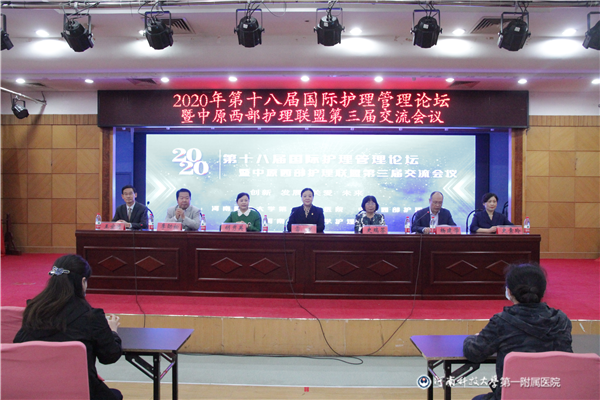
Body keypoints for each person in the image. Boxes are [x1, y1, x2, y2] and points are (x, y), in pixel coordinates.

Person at [13, 255, 123, 400]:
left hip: (35, 390)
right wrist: (113, 332)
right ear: (83, 282)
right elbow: (109, 356)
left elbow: (18, 344)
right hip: (81, 391)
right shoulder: (92, 317)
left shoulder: (33, 310)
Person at [463, 263, 572, 400]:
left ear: (509, 292)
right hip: (554, 395)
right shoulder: (561, 320)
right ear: (543, 291)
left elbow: (474, 353)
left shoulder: (502, 322)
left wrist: (472, 338)